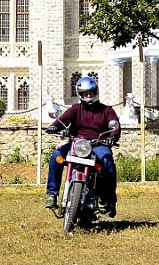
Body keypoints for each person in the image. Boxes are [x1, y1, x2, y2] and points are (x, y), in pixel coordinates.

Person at [44, 76, 120, 217]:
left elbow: (114, 123)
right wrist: (54, 127)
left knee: (108, 162)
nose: (88, 96)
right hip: (76, 144)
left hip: (98, 144)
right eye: (85, 93)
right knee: (57, 156)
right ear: (80, 95)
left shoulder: (106, 110)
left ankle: (109, 200)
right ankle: (52, 194)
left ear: (96, 92)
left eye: (90, 92)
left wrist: (113, 137)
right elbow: (63, 120)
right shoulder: (75, 109)